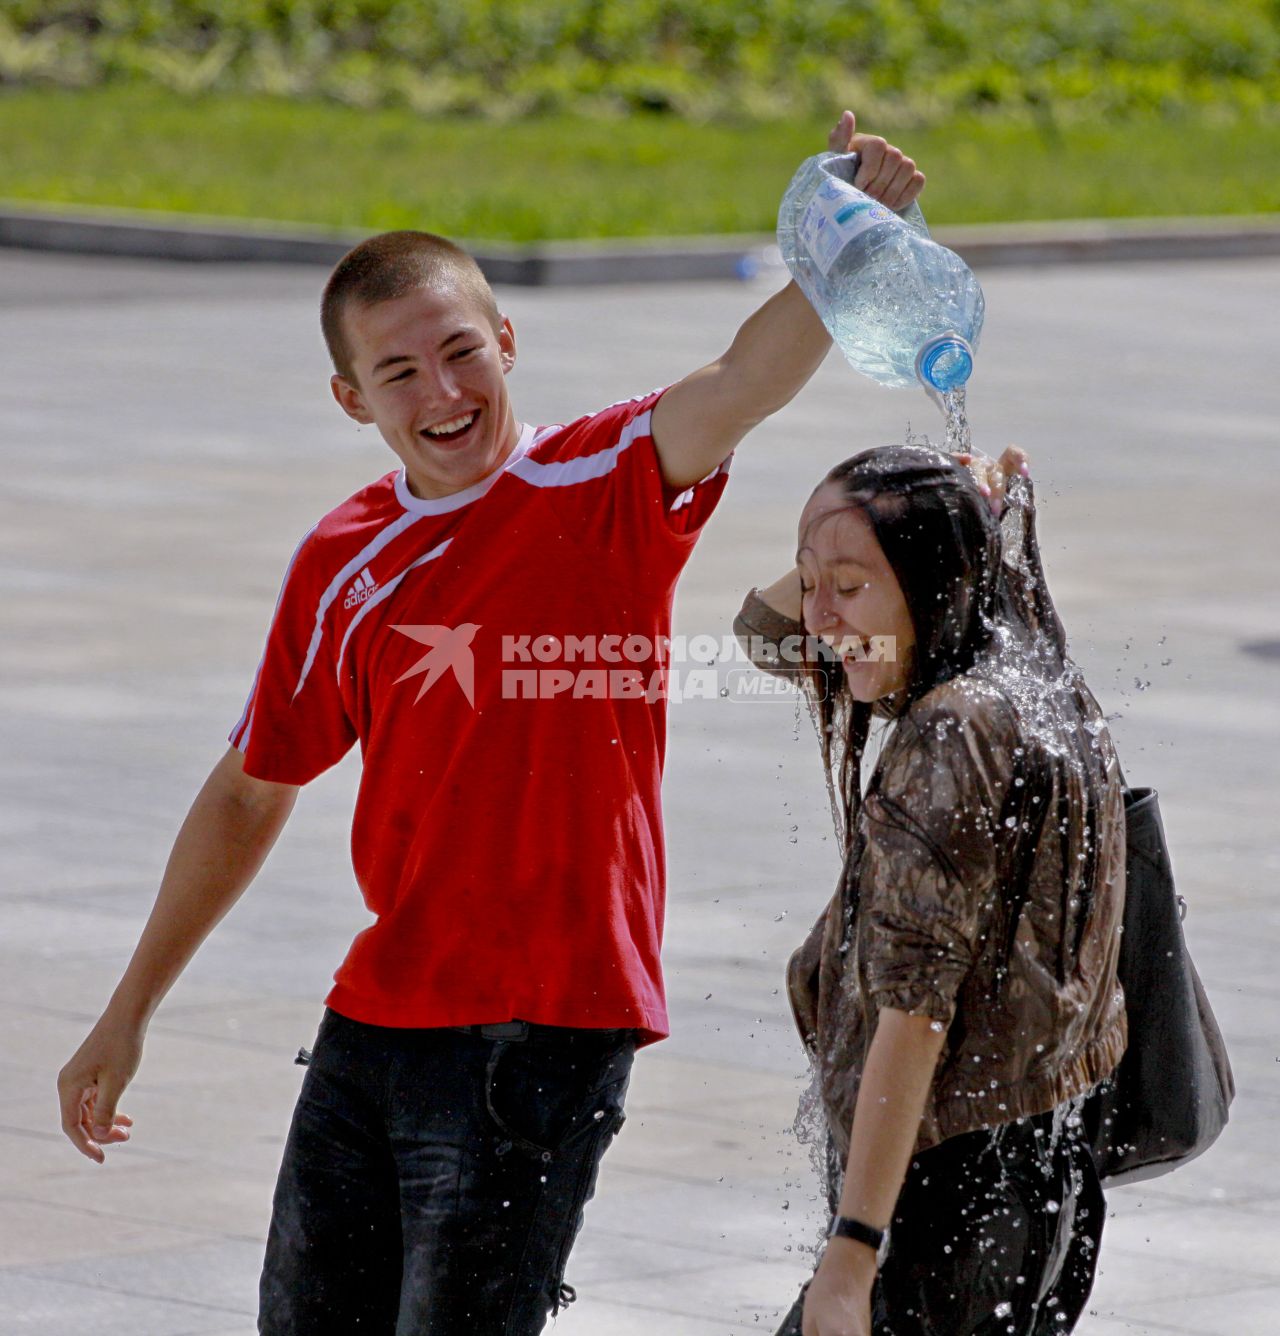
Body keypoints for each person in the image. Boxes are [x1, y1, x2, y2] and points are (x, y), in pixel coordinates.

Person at [55, 113, 927, 1333]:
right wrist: (126, 1011)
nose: (443, 392)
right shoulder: (340, 559)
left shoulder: (598, 480)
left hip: (544, 1023)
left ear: (507, 340)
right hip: (376, 1016)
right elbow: (253, 787)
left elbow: (739, 383)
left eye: (462, 352)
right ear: (350, 398)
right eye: (399, 372)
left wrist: (843, 244)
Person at [733, 444, 1127, 1336]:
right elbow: (764, 637)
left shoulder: (952, 731)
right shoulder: (1032, 667)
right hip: (1039, 1179)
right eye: (808, 580)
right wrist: (882, 527)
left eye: (851, 585)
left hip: (940, 1197)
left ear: (934, 580)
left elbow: (915, 1016)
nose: (821, 617)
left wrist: (852, 1250)